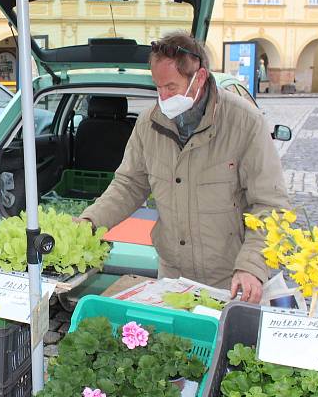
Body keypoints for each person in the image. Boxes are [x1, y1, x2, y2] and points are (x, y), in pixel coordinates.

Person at [78, 31, 289, 304]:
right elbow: (129, 185)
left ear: (199, 78)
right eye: (158, 88)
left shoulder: (245, 122)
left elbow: (271, 205)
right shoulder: (148, 123)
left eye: (171, 88)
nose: (163, 98)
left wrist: (252, 265)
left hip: (231, 280)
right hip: (172, 278)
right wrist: (91, 220)